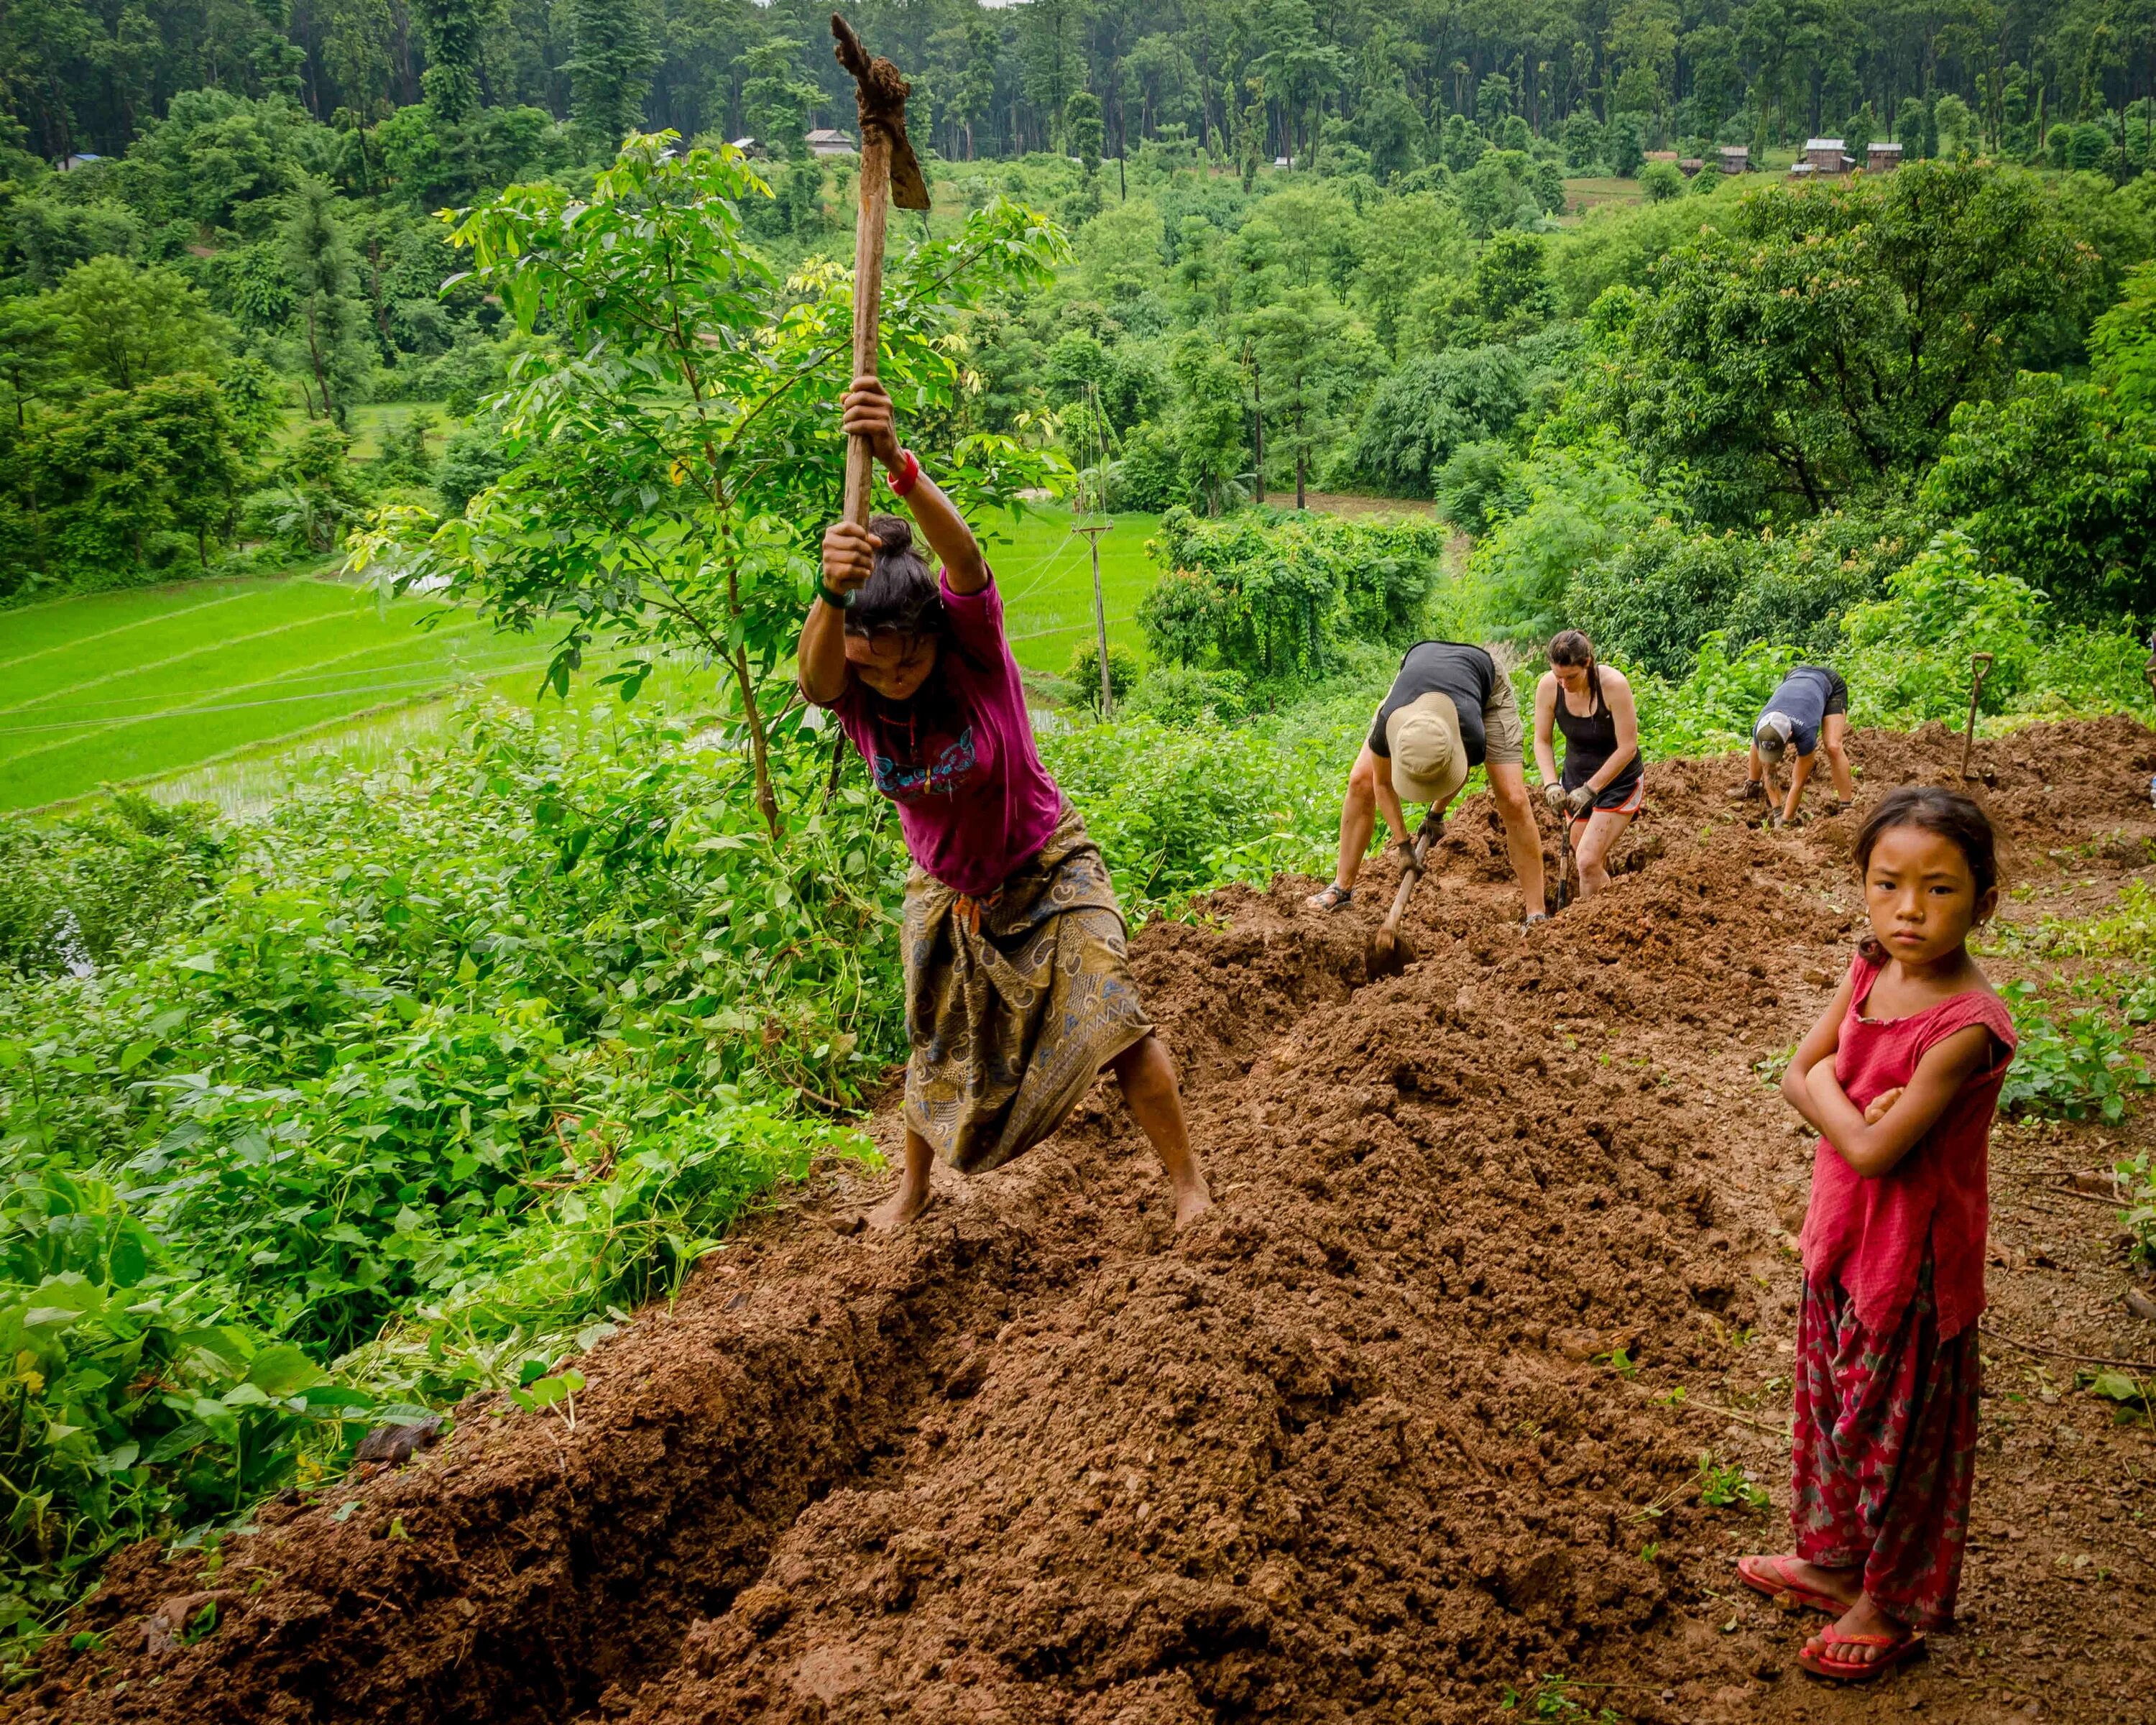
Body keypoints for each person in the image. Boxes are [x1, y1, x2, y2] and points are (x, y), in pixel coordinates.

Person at [800, 377, 1212, 1233]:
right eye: (872, 669)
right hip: (947, 889)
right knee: (931, 1043)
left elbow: (965, 562)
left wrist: (898, 466)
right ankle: (911, 1192)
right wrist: (830, 589)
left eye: (905, 663)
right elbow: (814, 675)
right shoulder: (853, 688)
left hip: (1046, 864)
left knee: (1115, 1013)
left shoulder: (974, 651)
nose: (893, 681)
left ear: (934, 637)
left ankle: (1189, 1189)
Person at [1740, 787, 2015, 1685]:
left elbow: (1868, 1147)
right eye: (1888, 883)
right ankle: (1831, 1560)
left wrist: (1834, 1098)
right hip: (1843, 1243)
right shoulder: (1866, 971)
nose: (1909, 908)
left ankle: (1891, 1602)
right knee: (1830, 1411)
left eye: (1939, 889)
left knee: (1899, 1438)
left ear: (1984, 896)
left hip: (1916, 1265)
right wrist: (1840, 1099)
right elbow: (1795, 1072)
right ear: (1861, 887)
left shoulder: (1965, 1029)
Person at [1304, 640, 1547, 926]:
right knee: (1359, 781)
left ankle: (1536, 912)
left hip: (1483, 681)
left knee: (1513, 798)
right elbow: (1381, 783)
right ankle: (1341, 887)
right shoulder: (1387, 724)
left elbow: (1458, 769)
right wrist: (1404, 846)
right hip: (1415, 682)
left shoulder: (1471, 734)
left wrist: (1436, 814)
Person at [1531, 630, 1641, 901]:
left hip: (1618, 782)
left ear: (1588, 663)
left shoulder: (1613, 685)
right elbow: (1542, 741)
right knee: (1589, 864)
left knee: (1587, 861)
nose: (1564, 684)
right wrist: (1551, 784)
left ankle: (1607, 921)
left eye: (1571, 677)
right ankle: (1598, 919)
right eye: (1558, 676)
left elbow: (1628, 747)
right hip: (1575, 782)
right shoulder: (1549, 687)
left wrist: (1591, 789)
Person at [1731, 663, 1856, 824]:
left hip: (1830, 684)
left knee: (1833, 746)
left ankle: (1846, 806)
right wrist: (1777, 813)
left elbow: (1799, 782)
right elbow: (1769, 770)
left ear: (1790, 735)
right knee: (1759, 746)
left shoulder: (1806, 732)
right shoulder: (1760, 726)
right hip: (1795, 676)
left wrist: (1785, 820)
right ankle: (1753, 786)